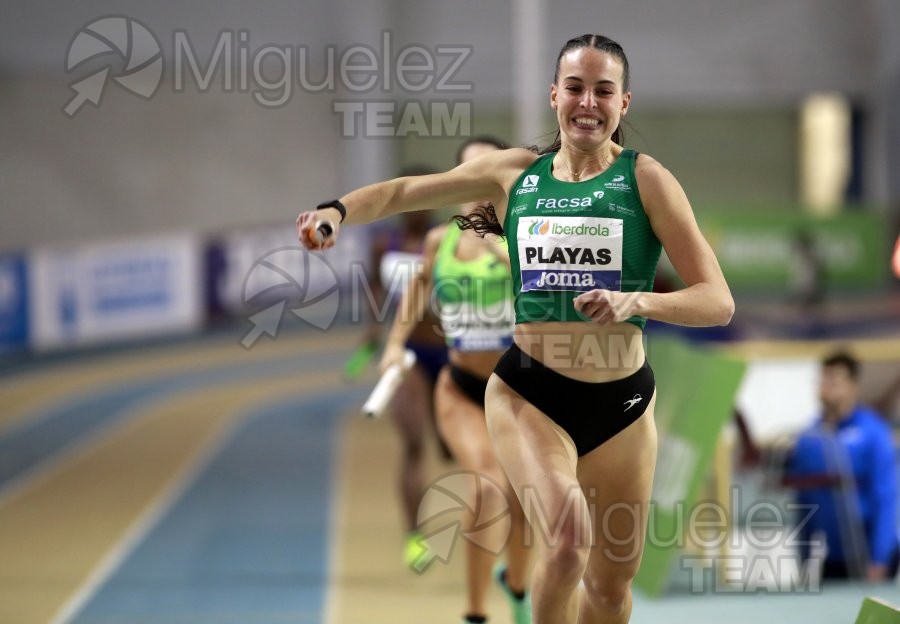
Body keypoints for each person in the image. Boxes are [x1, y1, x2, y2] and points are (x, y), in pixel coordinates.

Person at [299, 34, 734, 624]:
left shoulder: (648, 180)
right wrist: (336, 211)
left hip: (624, 404)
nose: (588, 102)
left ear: (623, 103)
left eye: (603, 91)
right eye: (575, 88)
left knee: (610, 589)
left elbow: (717, 301)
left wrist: (636, 300)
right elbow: (404, 193)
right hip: (532, 392)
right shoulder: (513, 174)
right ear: (554, 95)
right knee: (567, 540)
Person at [380, 136, 531, 624]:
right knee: (487, 489)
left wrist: (505, 252)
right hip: (461, 389)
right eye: (469, 173)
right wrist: (393, 345)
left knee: (526, 500)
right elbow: (417, 289)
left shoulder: (525, 238)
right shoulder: (437, 240)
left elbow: (555, 293)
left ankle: (518, 587)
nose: (478, 184)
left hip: (519, 392)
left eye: (490, 172)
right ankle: (475, 613)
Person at [356, 164, 453, 568]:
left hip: (453, 352)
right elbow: (375, 286)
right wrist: (374, 328)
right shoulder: (385, 243)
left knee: (454, 450)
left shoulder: (448, 239)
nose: (417, 207)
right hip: (410, 352)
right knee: (413, 443)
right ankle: (415, 536)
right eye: (411, 199)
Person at [783, 351, 900, 581]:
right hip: (835, 555)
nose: (826, 387)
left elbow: (886, 499)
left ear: (853, 386)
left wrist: (879, 559)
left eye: (834, 380)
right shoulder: (810, 437)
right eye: (823, 380)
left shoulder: (873, 433)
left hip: (869, 554)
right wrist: (804, 557)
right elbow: (804, 501)